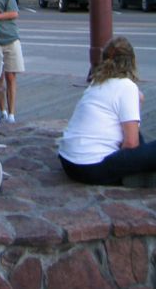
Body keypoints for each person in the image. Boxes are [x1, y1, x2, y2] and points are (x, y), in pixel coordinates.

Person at [59, 37, 156, 186]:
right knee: (141, 144)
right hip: (91, 167)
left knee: (134, 134)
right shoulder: (127, 87)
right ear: (131, 61)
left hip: (68, 161)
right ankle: (135, 176)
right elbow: (131, 143)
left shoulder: (96, 82)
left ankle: (136, 174)